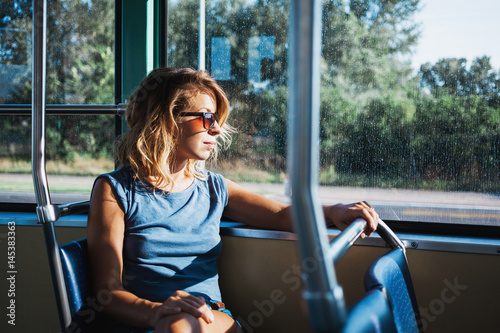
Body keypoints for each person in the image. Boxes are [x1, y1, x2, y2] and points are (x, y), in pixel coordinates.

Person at [87, 67, 379, 333]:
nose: (215, 129)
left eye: (216, 119)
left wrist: (335, 211)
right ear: (167, 119)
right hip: (143, 320)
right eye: (206, 118)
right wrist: (158, 312)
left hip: (208, 319)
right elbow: (108, 293)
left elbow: (279, 214)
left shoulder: (213, 188)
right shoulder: (114, 190)